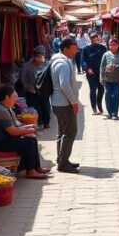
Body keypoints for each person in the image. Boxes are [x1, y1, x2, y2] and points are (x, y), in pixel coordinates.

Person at [0, 85, 52, 179]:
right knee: (28, 142)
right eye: (14, 97)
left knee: (31, 139)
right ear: (7, 97)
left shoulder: (6, 108)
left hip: (3, 139)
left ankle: (36, 167)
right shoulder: (1, 110)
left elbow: (16, 126)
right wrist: (28, 130)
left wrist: (30, 126)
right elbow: (13, 131)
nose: (16, 99)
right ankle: (31, 171)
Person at [50, 37, 81, 173]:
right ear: (65, 49)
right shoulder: (63, 64)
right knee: (70, 132)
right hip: (64, 103)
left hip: (57, 102)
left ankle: (62, 159)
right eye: (73, 49)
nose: (76, 52)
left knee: (62, 132)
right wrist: (74, 102)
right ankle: (63, 163)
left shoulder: (55, 60)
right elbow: (64, 84)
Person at [19, 46, 50, 129]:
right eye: (39, 56)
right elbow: (23, 78)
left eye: (43, 55)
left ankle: (46, 122)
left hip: (43, 90)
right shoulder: (27, 66)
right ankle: (39, 122)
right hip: (31, 90)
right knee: (35, 107)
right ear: (35, 56)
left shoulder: (47, 64)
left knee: (45, 106)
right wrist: (28, 88)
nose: (41, 58)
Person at [100, 38, 119, 120]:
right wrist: (101, 76)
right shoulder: (106, 54)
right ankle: (109, 112)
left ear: (118, 45)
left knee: (116, 95)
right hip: (107, 79)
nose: (112, 47)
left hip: (118, 79)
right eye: (110, 45)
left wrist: (115, 67)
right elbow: (102, 66)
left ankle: (115, 113)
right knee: (108, 94)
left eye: (114, 45)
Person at [81, 32, 108, 115]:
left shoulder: (103, 48)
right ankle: (93, 107)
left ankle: (99, 103)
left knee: (101, 89)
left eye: (96, 37)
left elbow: (107, 58)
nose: (95, 39)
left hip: (101, 73)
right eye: (93, 38)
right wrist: (87, 68)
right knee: (93, 89)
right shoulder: (86, 48)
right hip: (91, 73)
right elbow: (83, 60)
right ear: (90, 38)